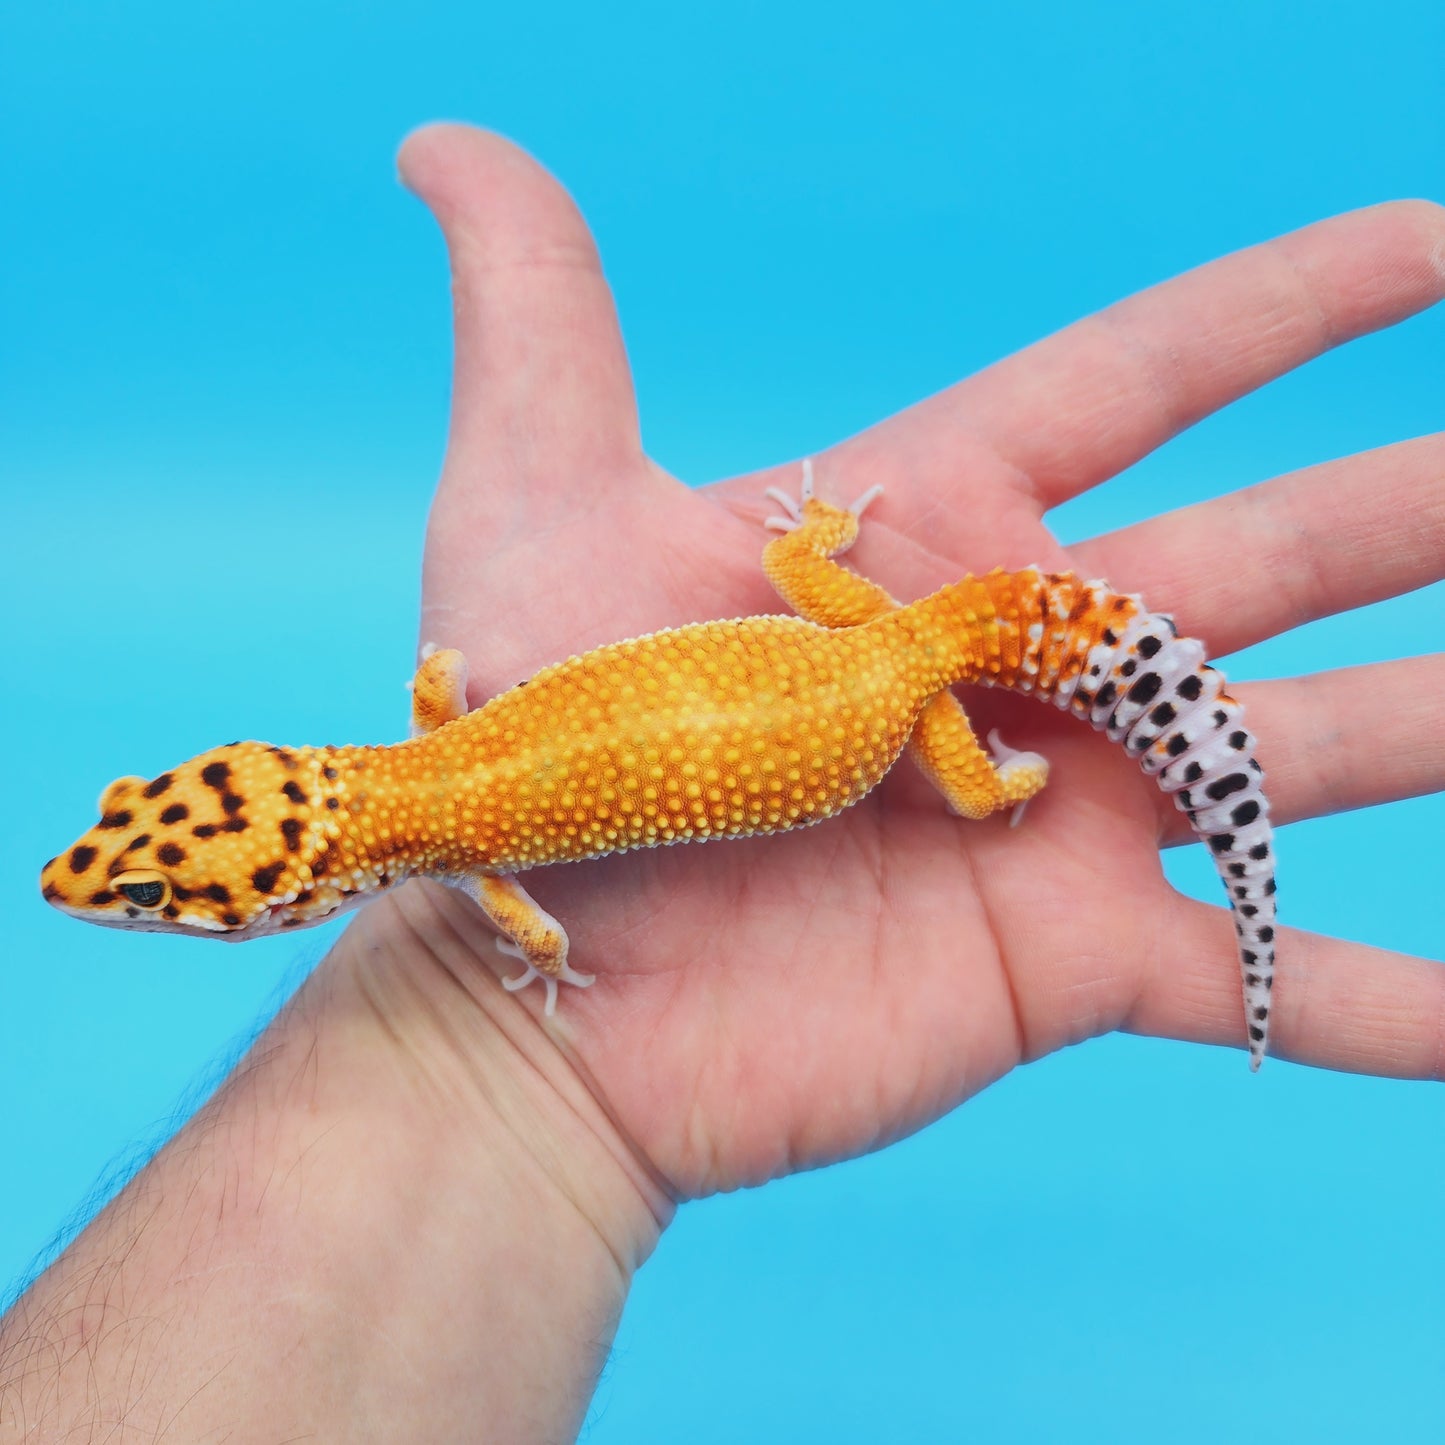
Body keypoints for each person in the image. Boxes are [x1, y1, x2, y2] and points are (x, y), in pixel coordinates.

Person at [2, 123, 1441, 1441]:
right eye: (155, 873)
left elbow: (535, 929)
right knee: (984, 733)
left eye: (154, 882)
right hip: (856, 632)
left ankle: (1035, 789)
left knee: (980, 791)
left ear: (296, 887)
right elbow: (440, 689)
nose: (109, 887)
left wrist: (999, 776)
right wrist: (826, 560)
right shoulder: (434, 740)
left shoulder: (469, 865)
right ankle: (1029, 710)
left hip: (895, 695)